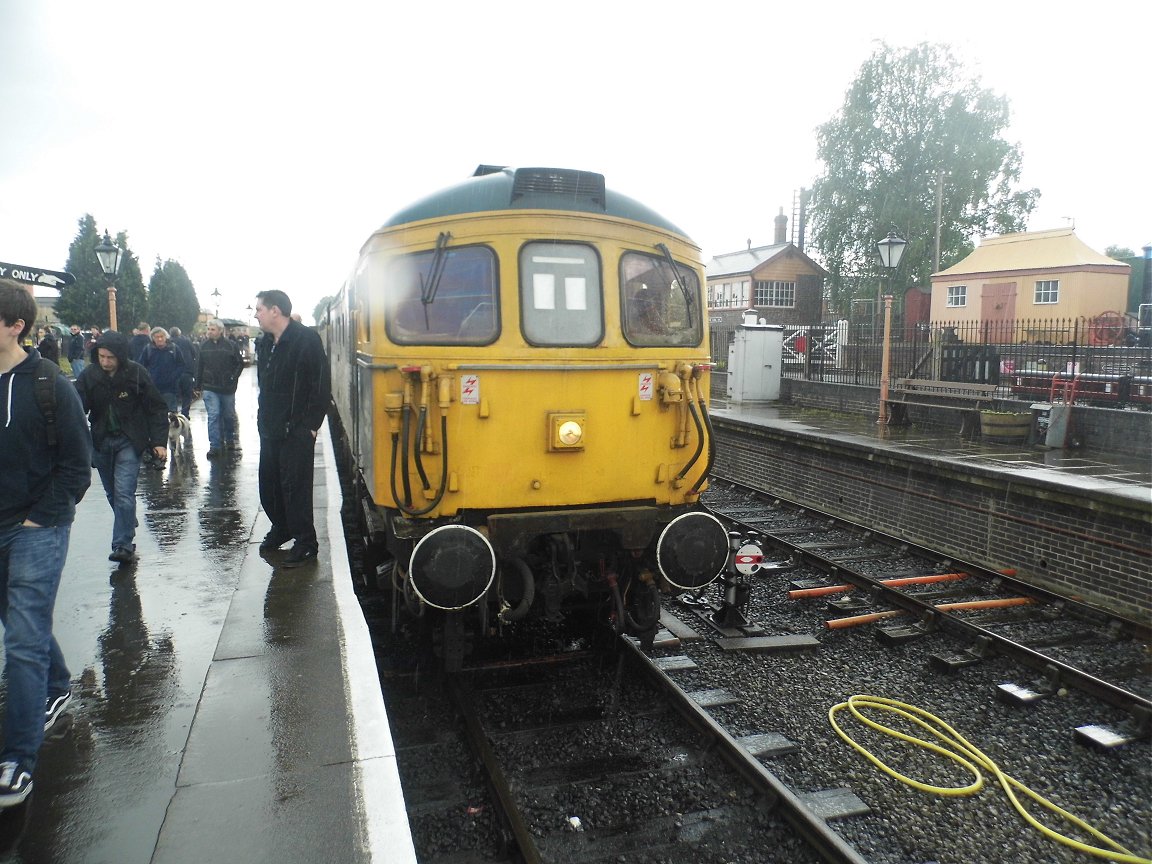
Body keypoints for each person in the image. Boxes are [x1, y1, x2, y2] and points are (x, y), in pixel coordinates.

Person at [0, 280, 92, 807]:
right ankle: (58, 685)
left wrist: (42, 519)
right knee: (20, 629)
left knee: (21, 640)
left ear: (17, 326)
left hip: (36, 527)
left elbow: (77, 466)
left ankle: (18, 757)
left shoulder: (49, 385)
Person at [75, 330, 168, 564]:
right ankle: (126, 519)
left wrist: (158, 442)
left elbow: (156, 407)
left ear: (120, 356)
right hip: (101, 440)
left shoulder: (136, 373)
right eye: (101, 357)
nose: (105, 362)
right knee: (113, 493)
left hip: (130, 440)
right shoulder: (89, 376)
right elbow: (76, 409)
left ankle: (123, 544)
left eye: (110, 357)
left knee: (124, 493)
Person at [254, 290, 330, 567]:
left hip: (296, 429)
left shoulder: (306, 340)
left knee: (295, 487)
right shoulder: (264, 343)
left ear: (275, 310)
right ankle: (282, 527)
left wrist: (310, 426)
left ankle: (306, 542)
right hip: (270, 427)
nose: (256, 314)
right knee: (269, 485)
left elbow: (321, 385)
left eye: (259, 309)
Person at [196, 319, 243, 458]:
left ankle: (229, 439)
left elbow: (239, 364)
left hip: (227, 387)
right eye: (208, 329)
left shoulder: (231, 345)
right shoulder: (203, 346)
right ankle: (214, 446)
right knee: (214, 415)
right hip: (210, 386)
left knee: (228, 415)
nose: (209, 332)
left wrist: (232, 378)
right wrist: (197, 385)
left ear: (220, 331)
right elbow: (199, 366)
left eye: (212, 329)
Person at [138, 327, 185, 415]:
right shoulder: (148, 349)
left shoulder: (174, 348)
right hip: (153, 388)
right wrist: (148, 378)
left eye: (161, 336)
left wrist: (173, 377)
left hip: (170, 388)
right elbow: (141, 366)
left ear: (166, 337)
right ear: (153, 338)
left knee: (171, 415)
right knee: (154, 414)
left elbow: (181, 365)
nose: (159, 339)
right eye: (156, 337)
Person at [168, 327, 198, 419]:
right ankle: (185, 414)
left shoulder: (168, 343)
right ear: (179, 333)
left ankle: (174, 414)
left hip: (173, 373)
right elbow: (194, 353)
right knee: (187, 394)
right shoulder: (187, 341)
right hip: (187, 371)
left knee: (174, 394)